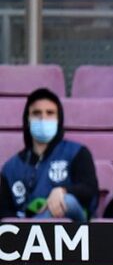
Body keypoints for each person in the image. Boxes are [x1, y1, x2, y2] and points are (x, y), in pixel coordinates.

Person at [0, 88, 98, 221]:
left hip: (73, 226)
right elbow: (5, 215)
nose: (43, 118)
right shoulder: (10, 168)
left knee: (66, 200)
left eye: (50, 113)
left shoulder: (77, 152)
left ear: (58, 119)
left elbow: (90, 190)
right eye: (36, 113)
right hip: (24, 227)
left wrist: (63, 190)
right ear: (27, 119)